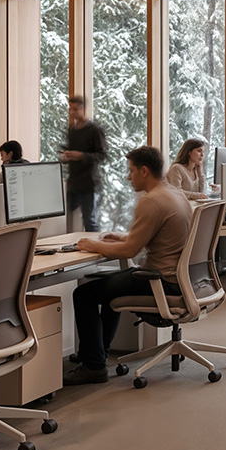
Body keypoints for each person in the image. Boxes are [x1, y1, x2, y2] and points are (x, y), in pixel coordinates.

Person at [62, 146, 192, 386]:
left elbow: (129, 251)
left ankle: (93, 366)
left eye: (131, 171)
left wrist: (93, 244)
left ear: (144, 171)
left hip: (160, 280)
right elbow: (152, 236)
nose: (128, 176)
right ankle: (97, 354)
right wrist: (121, 237)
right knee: (108, 288)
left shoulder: (151, 201)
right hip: (176, 278)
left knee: (83, 294)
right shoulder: (174, 194)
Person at [60, 96, 106, 234]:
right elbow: (70, 150)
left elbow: (102, 156)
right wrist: (66, 156)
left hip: (89, 184)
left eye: (75, 109)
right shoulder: (72, 130)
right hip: (73, 183)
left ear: (83, 109)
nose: (72, 112)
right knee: (64, 219)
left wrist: (81, 156)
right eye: (70, 109)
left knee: (89, 221)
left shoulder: (95, 130)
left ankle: (96, 246)